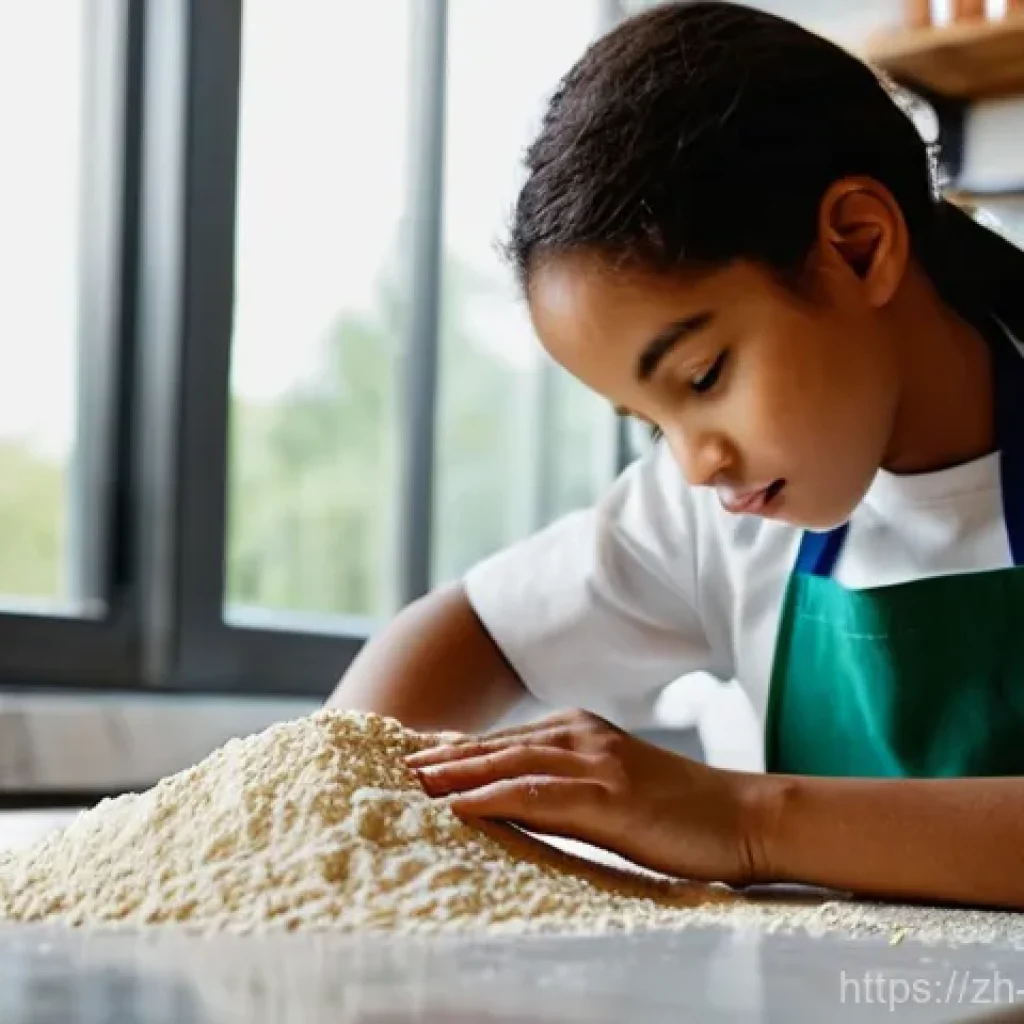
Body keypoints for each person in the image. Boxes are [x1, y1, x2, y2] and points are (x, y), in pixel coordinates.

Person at [329, 1, 1024, 909]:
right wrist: (324, 792)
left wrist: (744, 819)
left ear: (858, 247)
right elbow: (477, 630)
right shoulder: (713, 507)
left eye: (701, 377)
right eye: (652, 423)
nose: (696, 464)